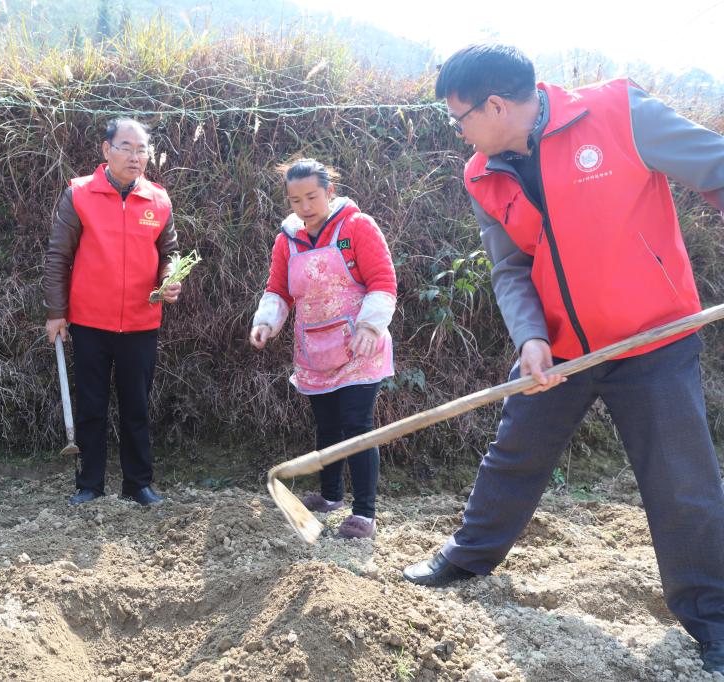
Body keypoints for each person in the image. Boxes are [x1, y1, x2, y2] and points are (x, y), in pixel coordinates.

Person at [401, 43, 724, 673]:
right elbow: (510, 267)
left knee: (681, 482)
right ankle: (468, 556)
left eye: (459, 117)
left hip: (653, 339)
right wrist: (529, 338)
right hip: (561, 350)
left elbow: (717, 166)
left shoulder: (620, 112)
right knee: (515, 452)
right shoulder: (482, 174)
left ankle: (715, 619)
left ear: (496, 105)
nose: (457, 131)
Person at [249, 159, 397, 539]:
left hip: (359, 346)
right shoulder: (287, 240)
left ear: (330, 192)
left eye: (312, 196)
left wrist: (369, 326)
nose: (305, 207)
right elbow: (278, 290)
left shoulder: (357, 227)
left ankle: (364, 514)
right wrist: (265, 322)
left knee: (357, 426)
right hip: (314, 350)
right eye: (295, 200)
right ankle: (331, 496)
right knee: (327, 425)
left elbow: (383, 281)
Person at [43, 117, 180, 506]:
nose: (136, 157)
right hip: (89, 322)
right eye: (126, 148)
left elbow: (169, 253)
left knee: (137, 407)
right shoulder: (79, 195)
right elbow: (58, 256)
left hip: (141, 322)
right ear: (106, 150)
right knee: (91, 407)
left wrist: (170, 278)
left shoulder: (158, 200)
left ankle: (138, 484)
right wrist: (56, 312)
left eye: (142, 150)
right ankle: (89, 485)